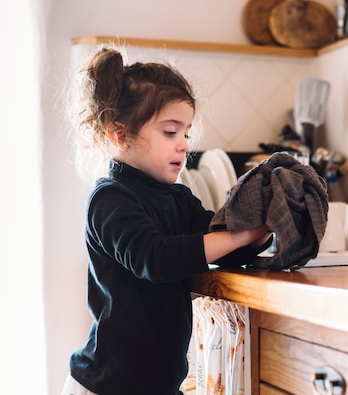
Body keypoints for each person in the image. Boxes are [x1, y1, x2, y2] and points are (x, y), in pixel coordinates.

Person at [62, 47, 271, 395]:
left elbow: (218, 242)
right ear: (120, 134)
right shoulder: (110, 199)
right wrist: (242, 234)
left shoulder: (178, 197)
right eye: (170, 132)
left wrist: (261, 232)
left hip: (157, 384)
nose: (184, 145)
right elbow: (155, 259)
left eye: (186, 133)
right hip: (105, 386)